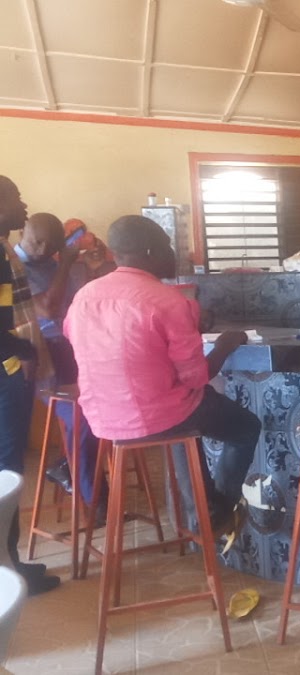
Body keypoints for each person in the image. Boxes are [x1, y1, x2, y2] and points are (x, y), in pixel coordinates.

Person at [64, 215, 260, 550]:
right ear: (150, 251)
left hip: (103, 418)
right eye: (168, 247)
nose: (173, 254)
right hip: (159, 415)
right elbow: (197, 376)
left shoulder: (85, 295)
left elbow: (83, 340)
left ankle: (204, 511)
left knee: (182, 418)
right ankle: (216, 513)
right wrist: (227, 344)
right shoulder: (168, 300)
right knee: (242, 426)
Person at [14, 212, 104, 506]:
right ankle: (94, 501)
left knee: (100, 410)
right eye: (36, 242)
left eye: (49, 245)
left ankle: (67, 469)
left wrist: (90, 269)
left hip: (70, 350)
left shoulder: (53, 265)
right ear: (22, 234)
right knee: (82, 417)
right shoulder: (14, 267)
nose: (41, 250)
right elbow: (49, 308)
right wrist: (65, 263)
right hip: (38, 355)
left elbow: (81, 305)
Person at [0, 175, 61, 595]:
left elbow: (7, 310)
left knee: (8, 468)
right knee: (6, 470)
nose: (23, 206)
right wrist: (19, 354)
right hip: (6, 371)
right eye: (15, 199)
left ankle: (11, 562)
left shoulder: (4, 248)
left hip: (11, 367)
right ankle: (8, 569)